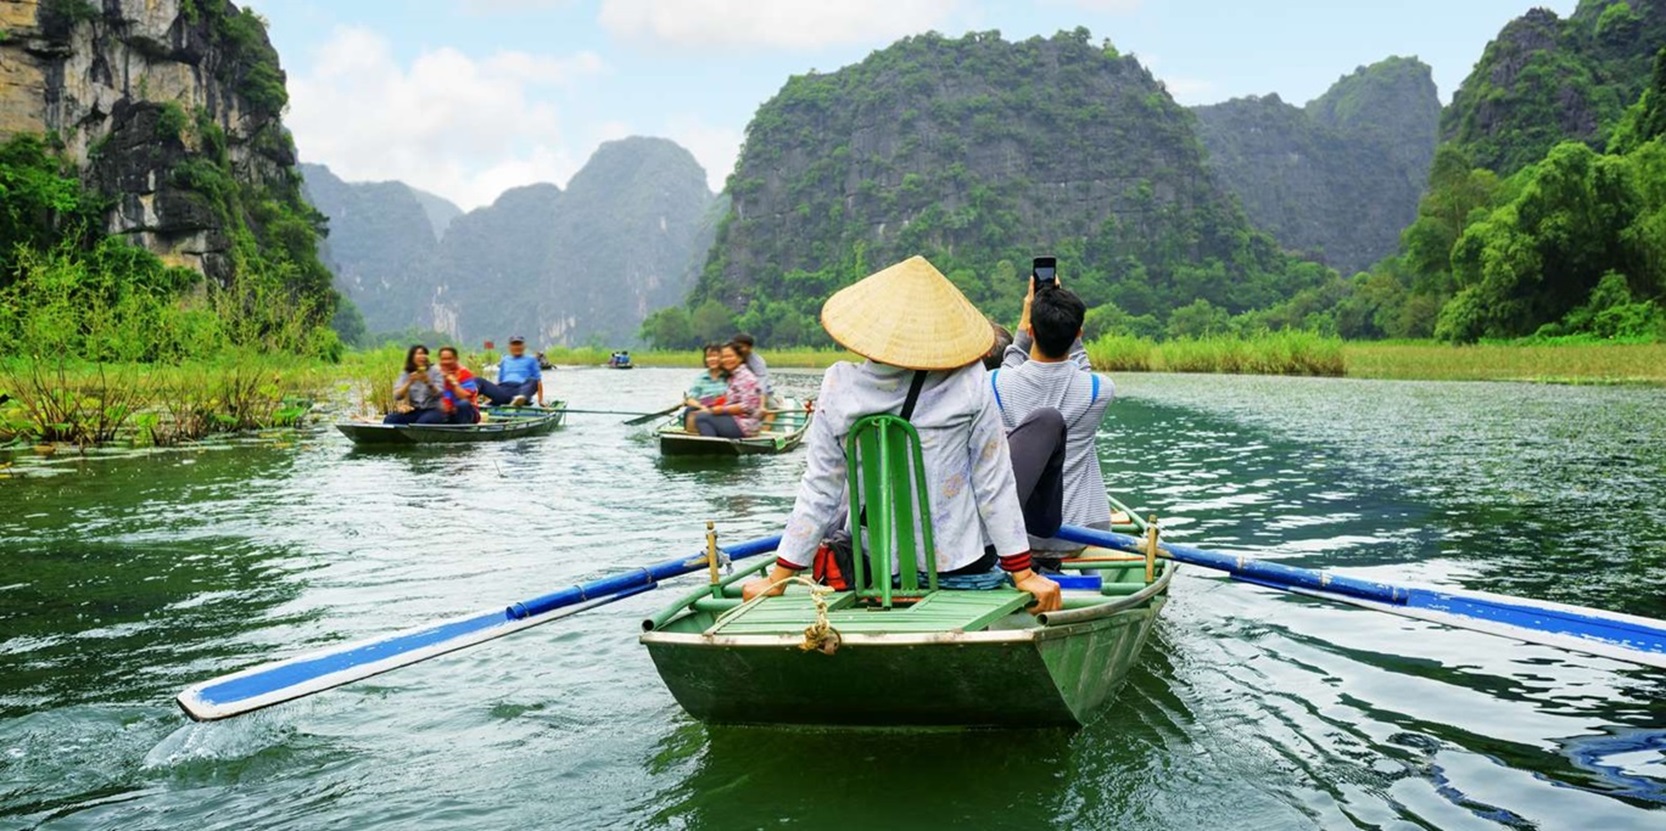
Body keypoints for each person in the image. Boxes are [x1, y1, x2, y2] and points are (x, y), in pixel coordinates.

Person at [742, 256, 1061, 614]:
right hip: (961, 565)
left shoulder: (839, 384)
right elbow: (993, 482)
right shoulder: (970, 381)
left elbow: (820, 489)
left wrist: (778, 578)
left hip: (873, 566)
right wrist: (1022, 573)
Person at [993, 275, 1115, 570]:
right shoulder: (1100, 390)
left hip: (1018, 537)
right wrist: (1068, 326)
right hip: (1077, 535)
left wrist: (1026, 318)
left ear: (1030, 330)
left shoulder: (994, 384)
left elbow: (1011, 362)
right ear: (1078, 334)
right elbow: (1082, 369)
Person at [693, 342, 761, 438]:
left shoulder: (745, 377)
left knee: (702, 418)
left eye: (730, 356)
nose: (726, 360)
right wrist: (701, 403)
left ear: (740, 358)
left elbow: (748, 406)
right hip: (732, 418)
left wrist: (720, 410)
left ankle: (711, 444)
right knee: (693, 410)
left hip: (744, 424)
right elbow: (724, 398)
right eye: (723, 357)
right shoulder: (732, 376)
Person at [384, 344, 448, 425]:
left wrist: (428, 382)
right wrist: (409, 382)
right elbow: (397, 396)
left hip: (434, 409)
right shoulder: (406, 373)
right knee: (390, 419)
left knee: (422, 422)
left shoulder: (435, 371)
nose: (423, 357)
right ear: (412, 357)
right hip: (415, 410)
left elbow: (440, 393)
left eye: (425, 354)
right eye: (420, 354)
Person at [478, 335, 543, 407]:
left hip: (521, 390)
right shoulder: (505, 360)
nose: (517, 347)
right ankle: (471, 401)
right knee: (478, 380)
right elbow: (500, 382)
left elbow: (538, 382)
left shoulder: (531, 360)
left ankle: (520, 399)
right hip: (504, 391)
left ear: (524, 346)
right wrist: (491, 396)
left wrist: (540, 401)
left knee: (533, 381)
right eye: (514, 345)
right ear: (509, 347)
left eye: (519, 344)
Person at [682, 343, 730, 433]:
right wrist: (702, 406)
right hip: (705, 405)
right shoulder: (702, 378)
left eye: (715, 356)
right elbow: (690, 399)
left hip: (725, 408)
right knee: (689, 410)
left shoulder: (729, 375)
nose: (712, 359)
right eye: (709, 356)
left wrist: (717, 401)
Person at [435, 346, 481, 424]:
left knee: (463, 404)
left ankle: (464, 429)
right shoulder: (435, 373)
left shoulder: (465, 373)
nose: (446, 362)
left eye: (449, 359)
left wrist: (452, 382)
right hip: (444, 412)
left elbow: (466, 397)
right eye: (443, 359)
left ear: (456, 359)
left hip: (465, 412)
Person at [731, 333, 771, 397]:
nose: (738, 349)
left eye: (741, 347)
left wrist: (760, 396)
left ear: (750, 347)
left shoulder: (757, 362)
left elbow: (762, 380)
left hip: (756, 392)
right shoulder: (730, 358)